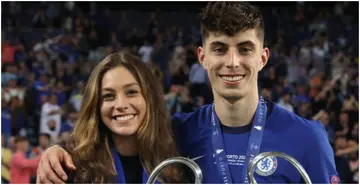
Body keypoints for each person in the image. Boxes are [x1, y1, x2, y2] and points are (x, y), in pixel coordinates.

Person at [36, 2, 339, 184]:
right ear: (202, 57)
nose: (232, 62)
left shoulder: (308, 138)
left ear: (263, 57)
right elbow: (114, 140)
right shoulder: (176, 133)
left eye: (245, 49)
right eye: (219, 49)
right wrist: (58, 152)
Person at [37, 51, 187, 183]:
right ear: (96, 105)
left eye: (131, 92)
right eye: (108, 96)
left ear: (150, 98)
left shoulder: (180, 152)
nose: (121, 104)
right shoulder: (72, 167)